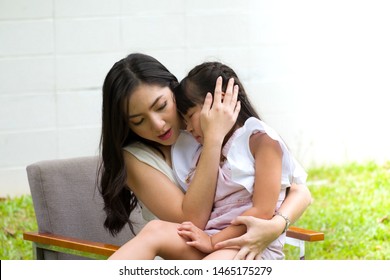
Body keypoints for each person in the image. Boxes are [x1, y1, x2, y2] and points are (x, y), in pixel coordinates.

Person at [99, 53, 311, 260]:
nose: (158, 124)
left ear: (175, 91)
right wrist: (213, 139)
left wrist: (274, 227)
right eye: (138, 121)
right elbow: (193, 221)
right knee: (154, 230)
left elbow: (299, 191)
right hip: (191, 249)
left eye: (161, 106)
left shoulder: (230, 134)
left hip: (238, 243)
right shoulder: (139, 157)